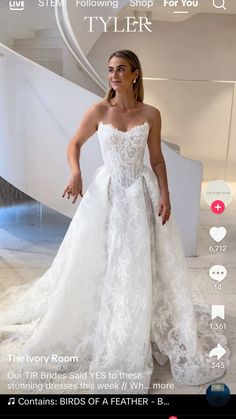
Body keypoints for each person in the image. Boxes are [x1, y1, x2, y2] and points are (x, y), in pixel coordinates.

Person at [0, 50, 228, 395]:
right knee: (102, 257)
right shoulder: (98, 110)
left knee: (137, 261)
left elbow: (157, 160)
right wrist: (75, 172)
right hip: (106, 193)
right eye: (110, 70)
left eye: (121, 70)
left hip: (140, 194)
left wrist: (166, 195)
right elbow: (74, 144)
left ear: (135, 74)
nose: (114, 75)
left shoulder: (150, 114)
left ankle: (138, 322)